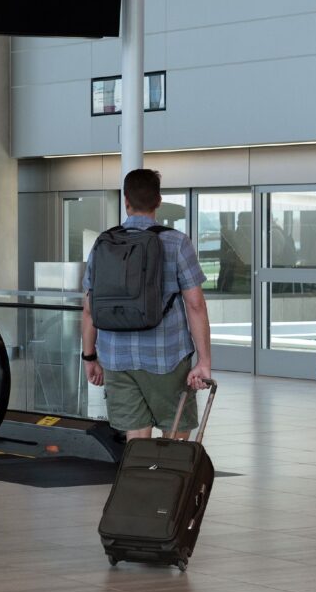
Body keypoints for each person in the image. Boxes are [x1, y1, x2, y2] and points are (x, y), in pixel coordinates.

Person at [80, 169, 215, 441]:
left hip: (116, 357)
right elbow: (195, 305)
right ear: (159, 201)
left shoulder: (104, 242)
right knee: (175, 437)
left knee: (136, 438)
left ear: (126, 201)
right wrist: (204, 361)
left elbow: (89, 308)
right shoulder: (177, 242)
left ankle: (139, 470)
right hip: (167, 356)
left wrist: (89, 357)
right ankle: (167, 471)